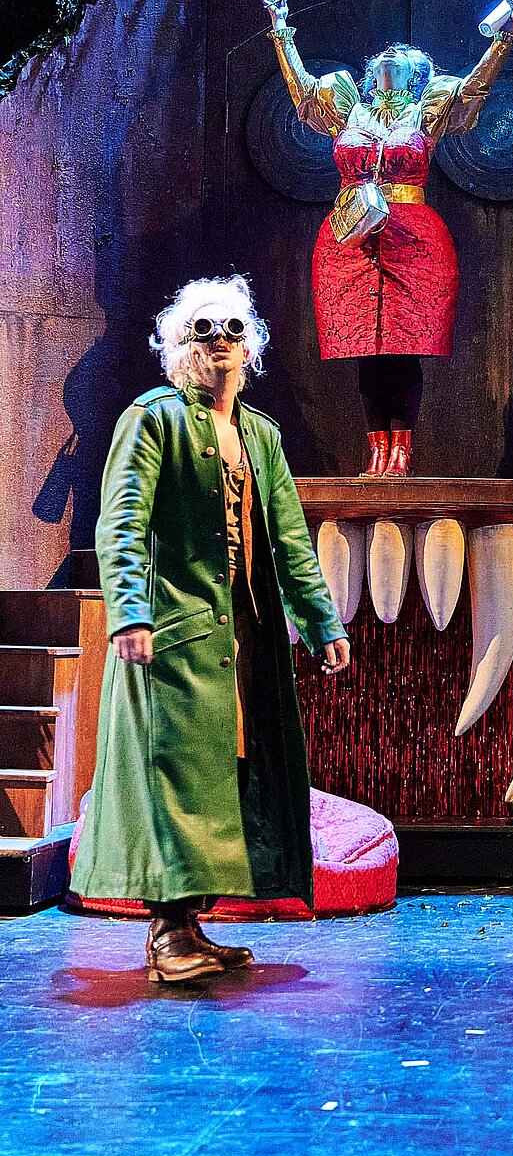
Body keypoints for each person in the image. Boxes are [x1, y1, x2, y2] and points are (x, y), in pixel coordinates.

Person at [71, 275, 351, 982]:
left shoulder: (261, 435)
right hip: (172, 637)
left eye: (232, 329)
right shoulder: (153, 419)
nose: (219, 340)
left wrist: (322, 623)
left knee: (228, 776)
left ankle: (191, 924)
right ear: (180, 348)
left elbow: (290, 540)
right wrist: (129, 612)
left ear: (250, 346)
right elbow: (122, 523)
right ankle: (168, 934)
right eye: (203, 329)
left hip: (243, 641)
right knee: (175, 781)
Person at [262, 0, 513, 476]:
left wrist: (504, 38)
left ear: (417, 72)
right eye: (384, 52)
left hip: (412, 236)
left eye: (401, 52)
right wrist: (281, 31)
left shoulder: (428, 111)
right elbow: (302, 91)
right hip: (352, 237)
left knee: (403, 347)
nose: (390, 52)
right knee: (366, 348)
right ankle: (376, 451)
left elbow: (473, 87)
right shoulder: (347, 108)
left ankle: (401, 453)